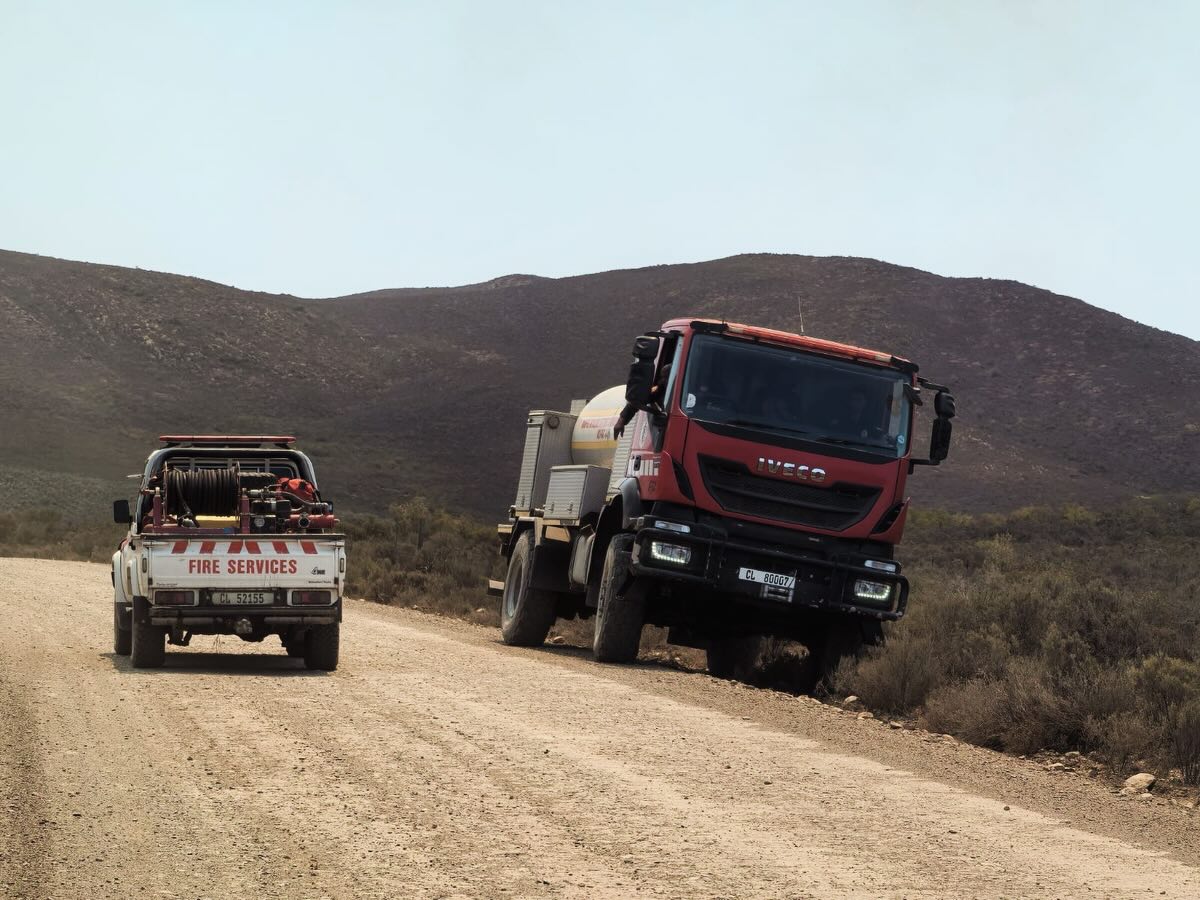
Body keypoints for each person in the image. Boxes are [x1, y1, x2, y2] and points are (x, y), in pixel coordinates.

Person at [613, 363, 671, 439]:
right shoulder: (660, 390)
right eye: (663, 377)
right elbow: (638, 400)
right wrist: (621, 421)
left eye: (667, 377)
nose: (663, 380)